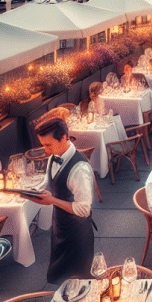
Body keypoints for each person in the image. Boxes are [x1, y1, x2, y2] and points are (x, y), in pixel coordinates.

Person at [31, 118, 96, 284]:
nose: (45, 150)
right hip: (60, 226)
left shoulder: (80, 169)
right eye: (43, 145)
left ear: (64, 137)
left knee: (79, 281)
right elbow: (50, 183)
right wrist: (30, 193)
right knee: (61, 279)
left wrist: (52, 200)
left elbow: (84, 210)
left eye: (48, 145)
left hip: (77, 233)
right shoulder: (54, 157)